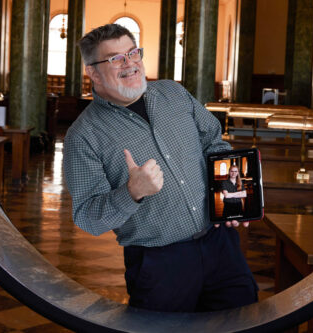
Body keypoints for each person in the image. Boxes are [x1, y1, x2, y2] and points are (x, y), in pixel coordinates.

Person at [63, 24, 257, 312]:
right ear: (93, 72)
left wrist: (231, 204)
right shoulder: (83, 136)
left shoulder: (173, 93)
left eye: (133, 53)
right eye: (116, 58)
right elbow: (87, 216)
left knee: (243, 323)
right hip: (159, 265)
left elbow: (213, 143)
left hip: (221, 246)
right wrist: (131, 193)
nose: (129, 63)